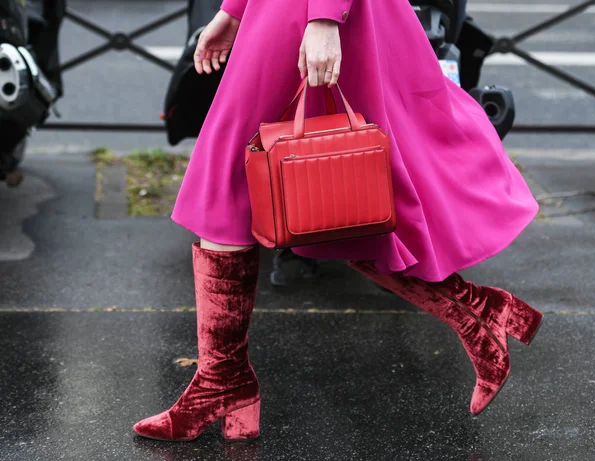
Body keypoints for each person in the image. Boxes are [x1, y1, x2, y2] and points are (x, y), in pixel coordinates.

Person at [133, 0, 543, 441]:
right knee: (240, 184)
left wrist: (325, 17)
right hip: (281, 13)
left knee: (354, 199)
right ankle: (222, 380)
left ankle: (481, 313)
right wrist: (234, 11)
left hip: (317, 13)